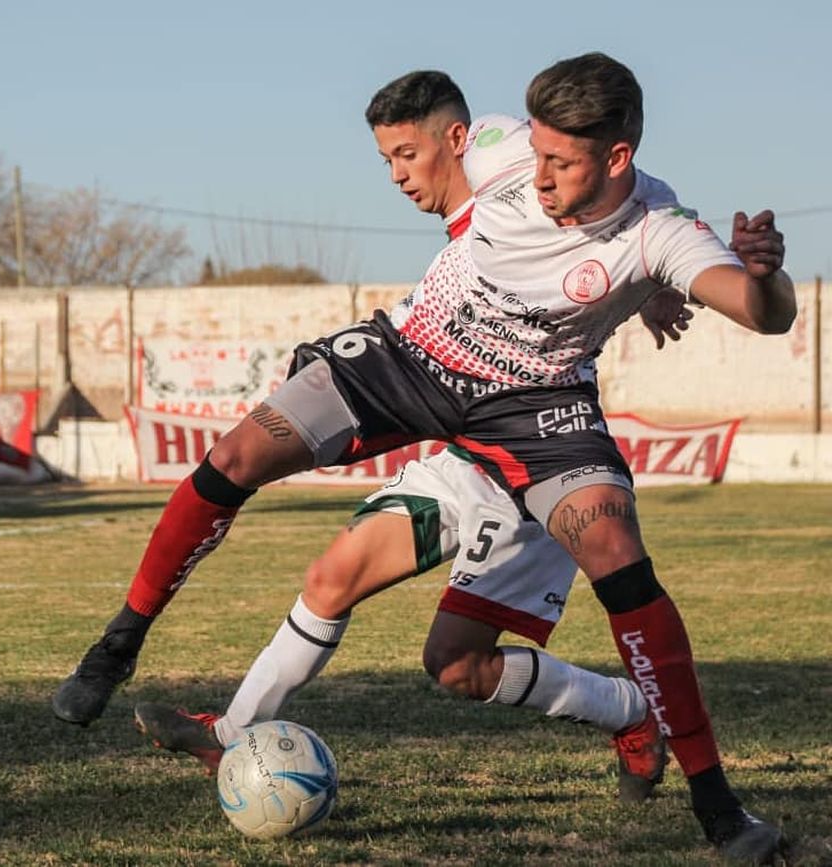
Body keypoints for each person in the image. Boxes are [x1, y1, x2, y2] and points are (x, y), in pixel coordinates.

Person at [57, 54, 794, 862]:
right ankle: (118, 645)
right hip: (412, 358)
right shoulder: (497, 144)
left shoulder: (661, 229)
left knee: (608, 554)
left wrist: (763, 276)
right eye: (536, 152)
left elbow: (756, 309)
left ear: (617, 158)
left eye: (561, 162)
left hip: (532, 407)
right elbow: (444, 166)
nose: (537, 175)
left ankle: (719, 808)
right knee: (238, 453)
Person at [135, 70, 692, 806]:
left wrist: (655, 285)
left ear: (455, 141)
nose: (398, 176)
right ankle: (232, 734)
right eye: (387, 160)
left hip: (530, 466)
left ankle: (630, 713)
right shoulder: (479, 215)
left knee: (457, 666)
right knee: (332, 576)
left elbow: (627, 217)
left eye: (406, 155)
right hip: (464, 456)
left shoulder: (528, 184)